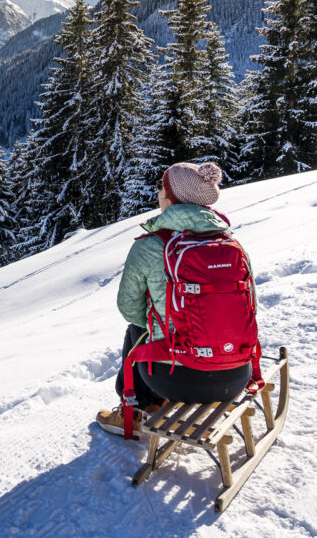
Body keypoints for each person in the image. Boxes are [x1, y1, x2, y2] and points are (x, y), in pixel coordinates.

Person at [97, 161, 252, 432]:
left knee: (137, 328)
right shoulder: (230, 242)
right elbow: (251, 307)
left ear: (171, 196)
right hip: (237, 373)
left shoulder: (151, 245)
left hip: (176, 379)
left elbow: (128, 308)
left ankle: (135, 410)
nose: (158, 192)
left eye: (161, 186)